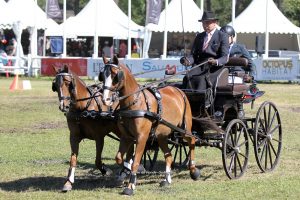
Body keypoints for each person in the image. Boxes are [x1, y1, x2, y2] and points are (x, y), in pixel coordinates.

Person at [181, 11, 229, 108]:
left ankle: (204, 103)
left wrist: (216, 61)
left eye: (207, 22)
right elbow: (193, 55)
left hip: (214, 67)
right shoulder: (199, 36)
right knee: (188, 76)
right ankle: (186, 102)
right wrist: (188, 60)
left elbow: (225, 57)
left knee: (201, 78)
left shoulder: (222, 36)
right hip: (200, 64)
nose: (205, 25)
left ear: (215, 23)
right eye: (203, 23)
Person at [220, 25, 256, 119]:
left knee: (233, 81)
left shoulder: (240, 48)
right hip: (222, 74)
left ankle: (240, 108)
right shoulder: (218, 49)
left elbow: (251, 63)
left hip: (237, 75)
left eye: (225, 37)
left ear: (231, 37)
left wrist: (251, 76)